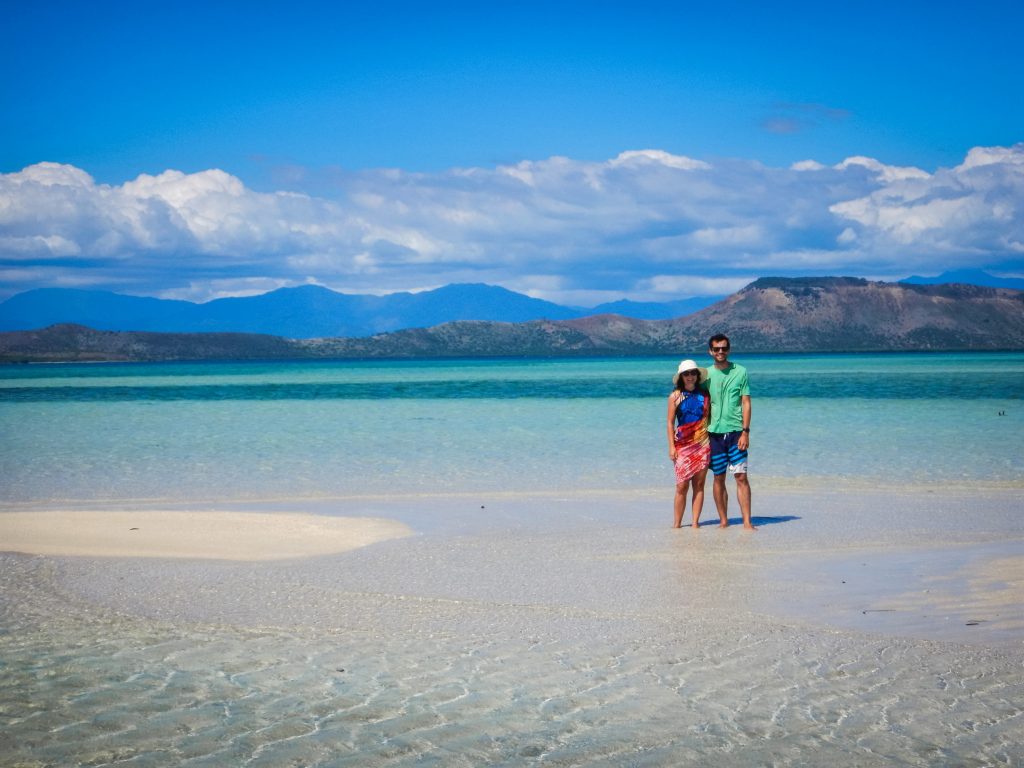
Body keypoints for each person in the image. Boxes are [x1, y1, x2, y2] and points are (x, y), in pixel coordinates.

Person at [705, 334, 754, 530]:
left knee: (741, 477)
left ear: (729, 349)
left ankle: (747, 522)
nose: (720, 352)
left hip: (736, 433)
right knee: (718, 477)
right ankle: (723, 521)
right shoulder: (705, 375)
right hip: (714, 435)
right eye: (716, 349)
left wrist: (746, 432)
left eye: (724, 348)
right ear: (710, 351)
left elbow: (746, 402)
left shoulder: (740, 371)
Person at [666, 359, 711, 528]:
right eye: (686, 374)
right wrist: (671, 446)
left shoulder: (705, 395)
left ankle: (694, 523)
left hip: (703, 444)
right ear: (681, 377)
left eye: (693, 373)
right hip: (682, 446)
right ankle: (677, 524)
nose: (690, 376)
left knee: (699, 485)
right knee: (681, 486)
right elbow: (670, 423)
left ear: (697, 375)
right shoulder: (675, 396)